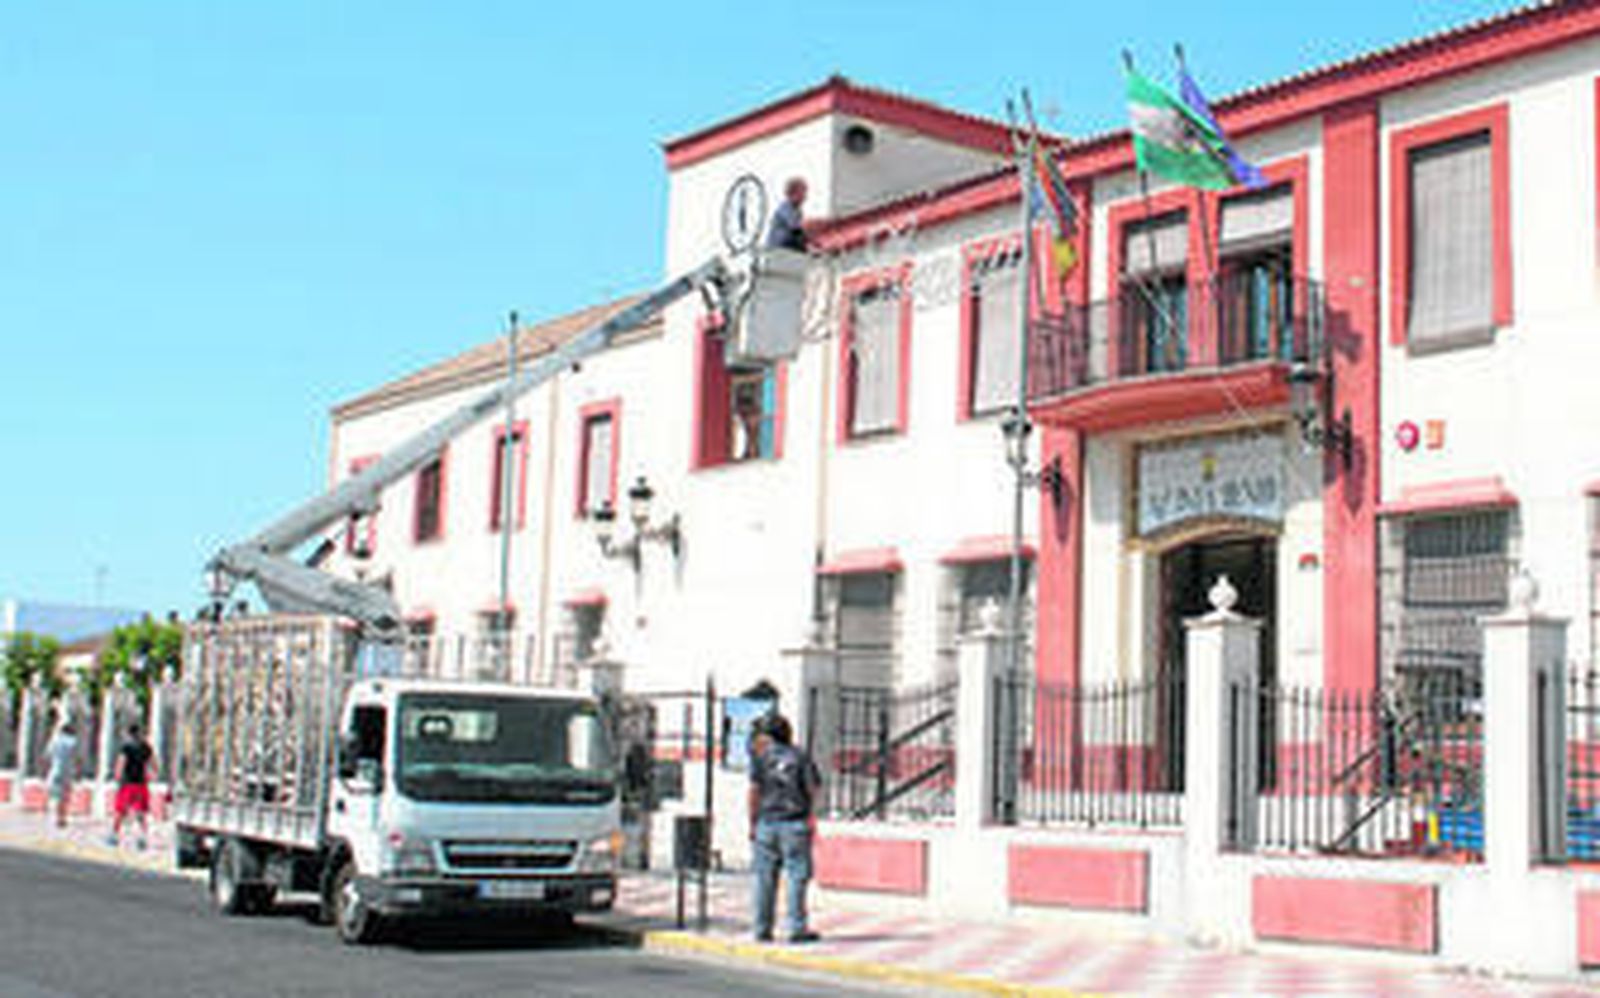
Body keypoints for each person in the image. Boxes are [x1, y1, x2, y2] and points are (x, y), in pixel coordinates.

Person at [747, 713, 821, 943]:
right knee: (797, 876)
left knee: (764, 878)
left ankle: (761, 928)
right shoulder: (800, 756)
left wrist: (752, 822)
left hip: (766, 823)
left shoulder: (761, 757)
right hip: (794, 822)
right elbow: (813, 788)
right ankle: (796, 927)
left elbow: (753, 792)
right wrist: (811, 816)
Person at [110, 722, 158, 849]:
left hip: (127, 783)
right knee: (140, 812)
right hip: (141, 784)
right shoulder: (146, 747)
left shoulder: (126, 748)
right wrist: (152, 775)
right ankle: (142, 837)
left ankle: (114, 835)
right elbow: (154, 764)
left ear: (129, 734)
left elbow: (121, 763)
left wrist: (117, 776)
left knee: (120, 811)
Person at [44, 720, 78, 830]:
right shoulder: (73, 741)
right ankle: (62, 817)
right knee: (65, 796)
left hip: (56, 769)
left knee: (55, 795)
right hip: (68, 772)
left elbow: (47, 755)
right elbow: (76, 757)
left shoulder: (55, 741)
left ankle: (56, 816)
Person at [765, 177, 808, 252]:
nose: (804, 197)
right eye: (802, 193)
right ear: (793, 193)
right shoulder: (785, 208)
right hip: (777, 249)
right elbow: (796, 228)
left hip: (787, 248)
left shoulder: (798, 211)